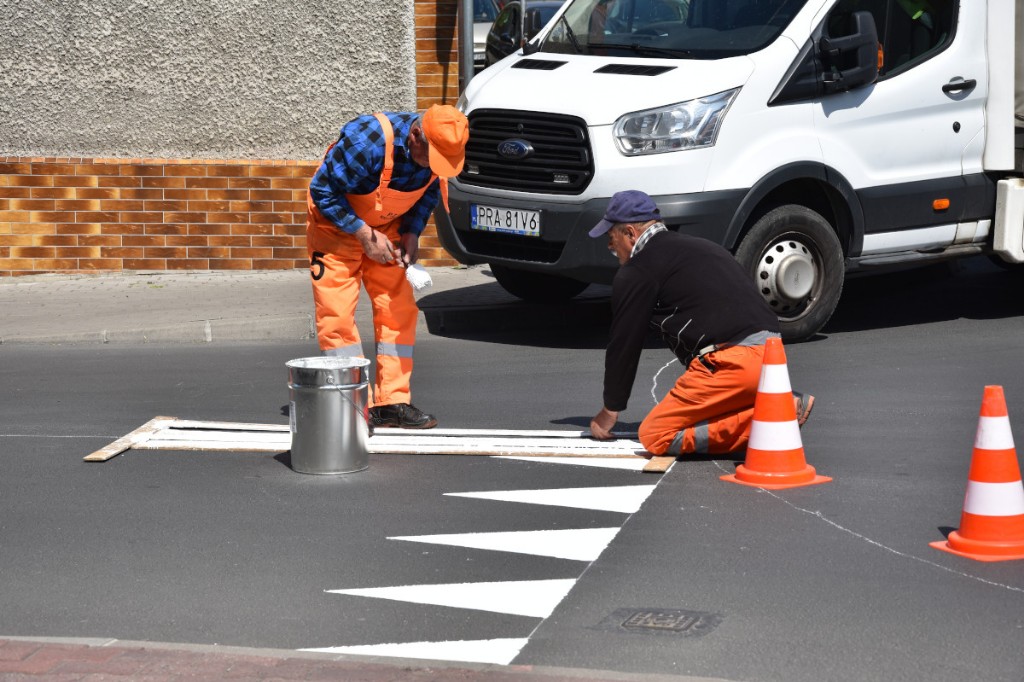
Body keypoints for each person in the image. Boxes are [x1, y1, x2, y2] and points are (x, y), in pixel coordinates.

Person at [588, 190, 813, 457]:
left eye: (610, 238)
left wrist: (610, 410)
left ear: (630, 233)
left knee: (655, 435)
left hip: (731, 364)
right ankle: (771, 402)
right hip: (771, 359)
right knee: (702, 419)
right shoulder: (703, 248)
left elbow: (624, 342)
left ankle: (777, 416)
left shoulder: (639, 269)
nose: (610, 247)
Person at [305, 105, 469, 429]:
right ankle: (351, 408)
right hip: (335, 230)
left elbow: (429, 191)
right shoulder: (366, 141)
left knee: (399, 310)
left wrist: (412, 231)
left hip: (388, 229)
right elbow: (322, 191)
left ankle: (391, 402)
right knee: (336, 316)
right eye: (432, 160)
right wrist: (364, 234)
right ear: (415, 136)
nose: (434, 168)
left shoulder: (433, 155)